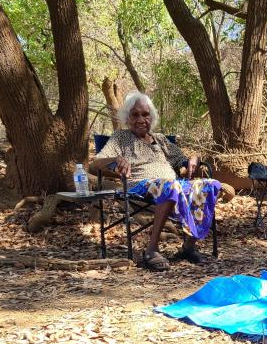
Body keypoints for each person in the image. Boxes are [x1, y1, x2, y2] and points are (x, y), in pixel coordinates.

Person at [90, 92, 221, 271]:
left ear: (152, 117)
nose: (141, 119)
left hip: (171, 187)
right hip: (139, 187)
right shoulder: (121, 137)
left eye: (145, 114)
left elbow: (182, 159)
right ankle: (151, 250)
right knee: (170, 186)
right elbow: (95, 164)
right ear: (127, 118)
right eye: (135, 115)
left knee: (211, 185)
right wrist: (116, 159)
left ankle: (188, 247)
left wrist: (194, 158)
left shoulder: (160, 139)